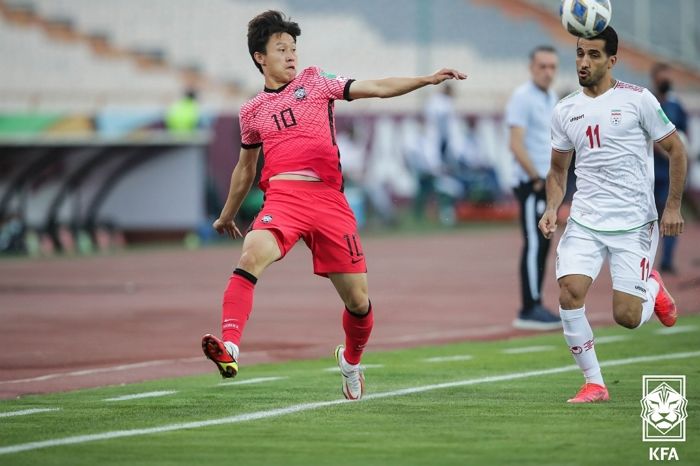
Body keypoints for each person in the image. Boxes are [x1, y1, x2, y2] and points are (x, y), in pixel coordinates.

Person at [201, 10, 466, 401]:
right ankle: (232, 348)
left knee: (359, 302)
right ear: (260, 57)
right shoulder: (252, 111)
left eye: (293, 48)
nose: (291, 55)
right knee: (252, 254)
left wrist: (425, 80)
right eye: (281, 49)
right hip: (284, 199)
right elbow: (245, 168)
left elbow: (375, 87)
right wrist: (226, 214)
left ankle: (351, 361)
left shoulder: (315, 81)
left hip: (328, 201)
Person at [539, 27, 687, 403]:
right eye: (579, 54)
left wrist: (672, 206)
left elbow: (676, 150)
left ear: (612, 61)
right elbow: (558, 171)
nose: (583, 62)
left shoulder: (638, 100)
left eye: (592, 55)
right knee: (569, 291)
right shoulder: (566, 109)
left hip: (634, 222)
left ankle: (652, 287)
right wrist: (552, 207)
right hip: (586, 220)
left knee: (628, 317)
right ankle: (594, 382)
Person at [505, 45, 561, 330]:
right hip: (532, 183)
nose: (548, 72)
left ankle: (537, 302)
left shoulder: (550, 96)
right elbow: (516, 143)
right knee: (533, 243)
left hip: (546, 183)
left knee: (543, 244)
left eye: (552, 66)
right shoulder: (522, 97)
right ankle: (529, 307)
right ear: (531, 67)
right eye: (542, 66)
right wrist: (537, 178)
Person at [651, 62, 688, 274]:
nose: (666, 81)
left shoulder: (677, 106)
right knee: (647, 216)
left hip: (670, 172)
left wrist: (681, 154)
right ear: (655, 78)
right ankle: (643, 259)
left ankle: (666, 260)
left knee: (671, 212)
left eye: (668, 77)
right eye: (662, 77)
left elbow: (683, 138)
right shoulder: (648, 101)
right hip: (649, 171)